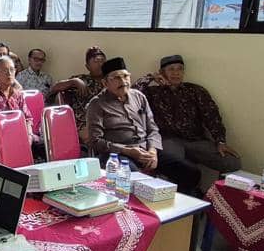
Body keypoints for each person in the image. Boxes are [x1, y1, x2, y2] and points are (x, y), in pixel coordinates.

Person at [85, 57, 201, 194]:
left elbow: (152, 128)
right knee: (137, 182)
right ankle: (138, 213)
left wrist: (153, 151)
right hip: (115, 155)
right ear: (105, 82)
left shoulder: (139, 96)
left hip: (145, 150)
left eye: (125, 76)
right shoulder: (97, 104)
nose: (123, 82)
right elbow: (95, 141)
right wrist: (127, 150)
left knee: (191, 172)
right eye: (116, 78)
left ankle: (178, 208)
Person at [134, 55, 241, 174]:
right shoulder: (153, 93)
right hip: (169, 140)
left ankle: (216, 192)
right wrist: (150, 78)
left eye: (180, 69)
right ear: (162, 72)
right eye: (171, 69)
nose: (176, 73)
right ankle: (186, 190)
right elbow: (132, 94)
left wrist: (220, 141)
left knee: (232, 162)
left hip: (196, 141)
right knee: (176, 165)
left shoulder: (196, 91)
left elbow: (212, 116)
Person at [50, 46, 108, 142]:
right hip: (85, 122)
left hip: (108, 120)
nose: (100, 64)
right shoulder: (81, 79)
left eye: (102, 61)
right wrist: (73, 81)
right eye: (96, 61)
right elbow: (54, 88)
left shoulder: (112, 80)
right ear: (87, 66)